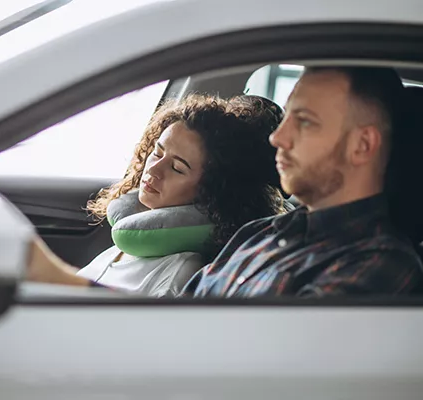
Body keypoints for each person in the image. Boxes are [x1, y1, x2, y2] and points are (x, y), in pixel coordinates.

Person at [28, 66, 423, 297]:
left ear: (361, 145)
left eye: (304, 122)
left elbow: (245, 366)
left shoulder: (379, 265)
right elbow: (169, 334)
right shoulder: (261, 235)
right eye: (286, 119)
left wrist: (64, 284)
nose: (277, 138)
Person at [72, 94, 289, 296]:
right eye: (157, 153)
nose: (154, 170)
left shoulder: (177, 274)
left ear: (210, 191)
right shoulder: (127, 244)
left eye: (177, 168)